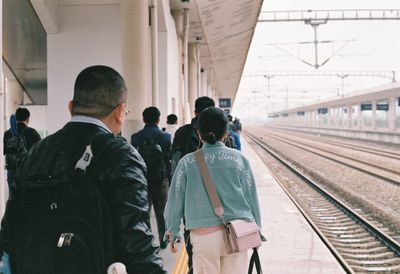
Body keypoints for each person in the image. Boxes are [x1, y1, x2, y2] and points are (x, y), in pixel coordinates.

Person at [0, 65, 166, 274]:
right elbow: (136, 241)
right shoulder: (120, 155)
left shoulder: (36, 152)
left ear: (70, 107)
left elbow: (9, 230)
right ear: (120, 112)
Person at [164, 107, 261, 274]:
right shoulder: (240, 160)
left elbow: (175, 200)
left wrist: (173, 230)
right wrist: (257, 230)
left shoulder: (187, 163)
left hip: (204, 236)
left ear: (199, 133)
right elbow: (251, 198)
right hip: (238, 233)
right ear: (226, 133)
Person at [170, 96, 215, 273]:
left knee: (191, 233)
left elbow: (174, 163)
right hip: (217, 196)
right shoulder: (221, 130)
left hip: (190, 195)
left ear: (195, 112)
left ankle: (193, 266)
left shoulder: (182, 132)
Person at [131, 106, 171, 249]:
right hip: (161, 180)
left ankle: (146, 241)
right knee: (161, 212)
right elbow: (168, 159)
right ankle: (164, 240)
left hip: (142, 179)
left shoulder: (135, 137)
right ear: (159, 119)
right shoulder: (166, 137)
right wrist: (169, 178)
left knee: (144, 212)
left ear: (143, 119)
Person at [3, 107, 41, 190]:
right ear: (28, 119)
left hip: (12, 170)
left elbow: (4, 150)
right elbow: (40, 151)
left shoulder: (7, 134)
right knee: (26, 197)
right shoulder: (32, 133)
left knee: (13, 197)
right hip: (27, 170)